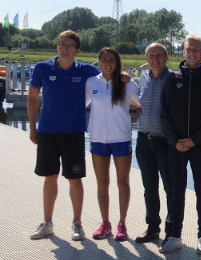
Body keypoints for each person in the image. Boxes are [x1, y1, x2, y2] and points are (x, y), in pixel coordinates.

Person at [27, 30, 100, 241]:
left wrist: (122, 77)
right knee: (50, 177)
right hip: (48, 131)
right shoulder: (42, 68)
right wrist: (32, 128)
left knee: (75, 179)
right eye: (61, 45)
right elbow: (32, 100)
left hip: (74, 133)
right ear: (56, 46)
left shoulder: (87, 71)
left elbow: (107, 79)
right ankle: (47, 223)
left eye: (70, 47)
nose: (65, 49)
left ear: (77, 50)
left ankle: (77, 224)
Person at [159, 35, 201, 254]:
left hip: (200, 146)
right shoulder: (172, 79)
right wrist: (175, 140)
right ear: (183, 52)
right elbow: (163, 114)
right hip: (176, 146)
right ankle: (175, 235)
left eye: (196, 50)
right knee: (176, 190)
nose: (192, 53)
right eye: (188, 49)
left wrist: (195, 140)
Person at [85, 47, 140, 240]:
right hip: (98, 139)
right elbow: (78, 104)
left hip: (121, 139)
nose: (108, 63)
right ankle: (105, 223)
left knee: (122, 183)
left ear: (117, 63)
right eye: (104, 59)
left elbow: (142, 101)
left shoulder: (127, 83)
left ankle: (122, 224)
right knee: (102, 184)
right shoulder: (91, 82)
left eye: (112, 60)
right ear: (99, 61)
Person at [134, 43, 174, 245]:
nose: (155, 59)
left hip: (165, 142)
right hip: (143, 139)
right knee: (149, 187)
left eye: (159, 55)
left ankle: (171, 229)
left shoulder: (174, 79)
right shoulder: (143, 77)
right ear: (146, 57)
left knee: (170, 188)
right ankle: (152, 227)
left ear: (166, 57)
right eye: (151, 55)